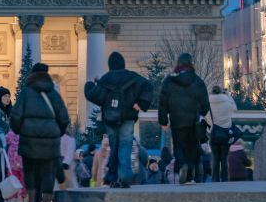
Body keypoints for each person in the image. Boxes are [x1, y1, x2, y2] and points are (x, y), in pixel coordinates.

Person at [84, 51, 153, 188]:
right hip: (128, 118)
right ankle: (124, 176)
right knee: (125, 146)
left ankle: (113, 177)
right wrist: (141, 104)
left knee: (114, 147)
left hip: (110, 118)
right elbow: (148, 86)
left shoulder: (105, 79)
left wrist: (92, 84)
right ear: (123, 63)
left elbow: (93, 94)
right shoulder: (132, 77)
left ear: (110, 65)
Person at [11, 63, 70, 202]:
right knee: (47, 173)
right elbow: (64, 118)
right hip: (50, 140)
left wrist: (19, 130)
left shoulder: (25, 93)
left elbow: (15, 116)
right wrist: (57, 133)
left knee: (29, 171)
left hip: (29, 138)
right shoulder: (54, 95)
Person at [158, 53, 210, 185]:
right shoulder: (198, 81)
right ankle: (189, 178)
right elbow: (205, 104)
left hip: (176, 120)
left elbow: (163, 102)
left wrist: (163, 120)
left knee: (179, 146)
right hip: (193, 120)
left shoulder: (169, 81)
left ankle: (182, 165)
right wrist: (200, 112)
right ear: (191, 63)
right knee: (192, 148)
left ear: (178, 64)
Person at [208, 85, 237, 182]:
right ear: (221, 92)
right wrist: (228, 95)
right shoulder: (227, 102)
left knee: (215, 158)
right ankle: (224, 178)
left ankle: (215, 179)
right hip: (225, 133)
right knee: (224, 157)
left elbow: (206, 117)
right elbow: (234, 109)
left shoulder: (208, 103)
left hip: (214, 133)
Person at [59, 125, 78, 190]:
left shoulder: (69, 137)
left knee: (70, 182)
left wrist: (66, 163)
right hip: (59, 162)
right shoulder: (58, 136)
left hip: (66, 164)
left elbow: (70, 150)